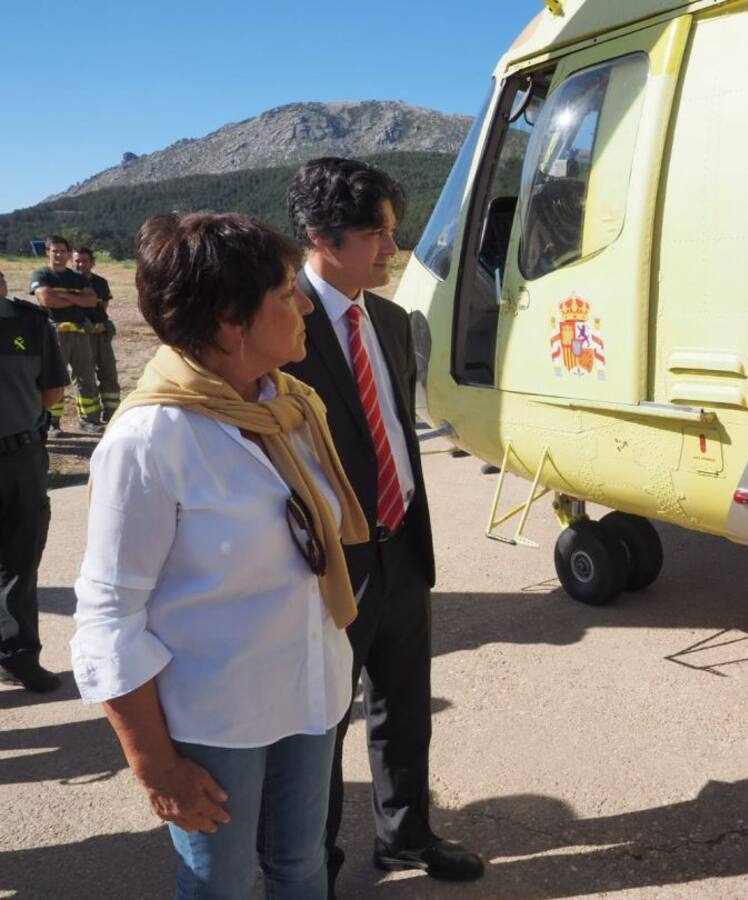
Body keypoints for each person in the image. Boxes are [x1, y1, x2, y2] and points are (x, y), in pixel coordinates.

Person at [71, 212, 370, 899]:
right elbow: (108, 617)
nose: (304, 306)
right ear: (234, 321)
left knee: (302, 866)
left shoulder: (288, 407)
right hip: (216, 720)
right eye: (288, 292)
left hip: (310, 692)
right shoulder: (151, 440)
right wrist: (154, 767)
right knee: (222, 885)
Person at [283, 157, 484, 892]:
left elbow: (393, 430)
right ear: (321, 237)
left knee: (403, 707)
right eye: (377, 235)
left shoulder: (392, 321)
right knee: (323, 725)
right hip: (331, 565)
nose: (392, 252)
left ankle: (405, 837)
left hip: (403, 547)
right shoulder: (285, 322)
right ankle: (316, 864)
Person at [0, 269, 68, 693]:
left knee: (20, 560)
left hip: (18, 457)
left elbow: (53, 391)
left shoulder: (29, 323)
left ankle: (18, 655)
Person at [30, 235, 103, 435]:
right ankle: (52, 422)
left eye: (63, 251)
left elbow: (91, 301)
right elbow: (46, 300)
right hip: (55, 334)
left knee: (86, 377)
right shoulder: (41, 274)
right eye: (55, 251)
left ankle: (89, 419)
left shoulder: (77, 278)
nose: (59, 255)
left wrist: (64, 296)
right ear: (47, 252)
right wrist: (77, 298)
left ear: (68, 253)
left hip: (79, 333)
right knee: (55, 379)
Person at [73, 247, 122, 422]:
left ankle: (112, 412)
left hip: (101, 334)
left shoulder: (101, 283)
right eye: (77, 261)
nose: (80, 264)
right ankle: (89, 417)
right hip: (80, 336)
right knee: (85, 377)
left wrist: (103, 324)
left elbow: (103, 308)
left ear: (92, 263)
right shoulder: (68, 281)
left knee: (109, 372)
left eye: (85, 261)